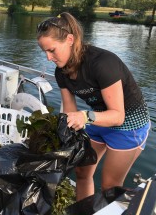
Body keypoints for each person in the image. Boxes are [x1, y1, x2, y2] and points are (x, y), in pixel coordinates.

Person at [36, 12, 150, 201]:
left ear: (70, 40)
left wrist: (85, 117)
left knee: (110, 186)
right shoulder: (61, 72)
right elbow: (69, 110)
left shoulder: (102, 63)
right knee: (82, 172)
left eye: (52, 50)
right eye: (45, 52)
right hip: (97, 119)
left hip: (129, 126)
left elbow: (118, 116)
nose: (48, 58)